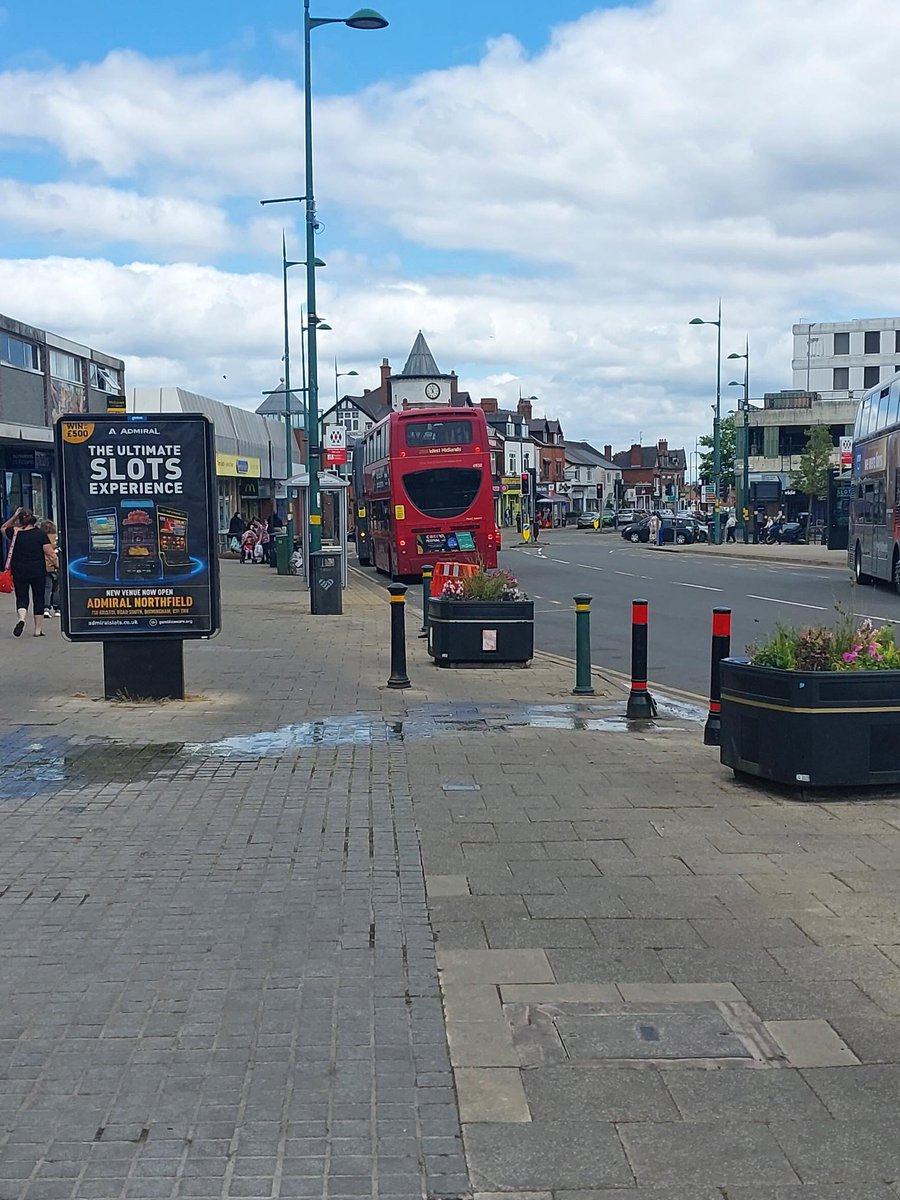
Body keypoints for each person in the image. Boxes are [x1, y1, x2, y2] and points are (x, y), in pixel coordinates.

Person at [1, 508, 58, 638]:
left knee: (22, 597)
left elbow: (3, 528)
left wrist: (14, 516)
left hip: (19, 570)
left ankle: (21, 618)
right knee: (38, 598)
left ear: (20, 519)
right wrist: (58, 565)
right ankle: (37, 630)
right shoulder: (40, 534)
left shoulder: (14, 532)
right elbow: (50, 553)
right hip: (37, 570)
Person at [39, 519, 61, 616]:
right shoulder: (57, 538)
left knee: (47, 588)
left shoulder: (41, 538)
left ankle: (46, 608)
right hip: (56, 565)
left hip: (45, 567)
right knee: (57, 588)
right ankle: (57, 609)